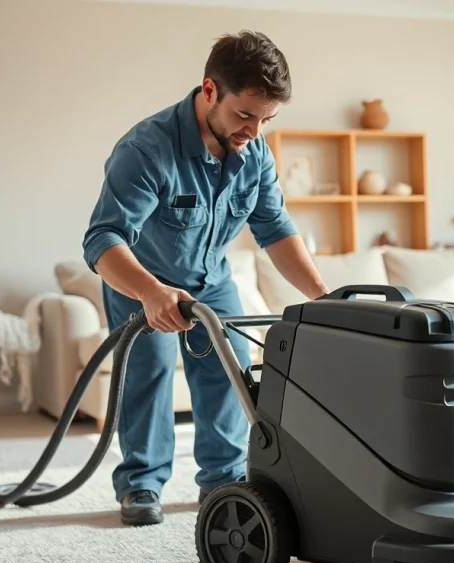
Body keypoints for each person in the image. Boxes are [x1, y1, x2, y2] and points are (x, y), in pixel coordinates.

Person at [81, 30, 330, 526]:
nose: (254, 132)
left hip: (211, 280)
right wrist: (151, 292)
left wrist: (323, 297)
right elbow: (102, 241)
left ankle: (221, 481)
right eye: (245, 115)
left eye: (266, 119)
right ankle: (141, 484)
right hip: (142, 282)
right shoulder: (146, 149)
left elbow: (274, 229)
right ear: (209, 90)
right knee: (146, 377)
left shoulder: (254, 152)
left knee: (230, 370)